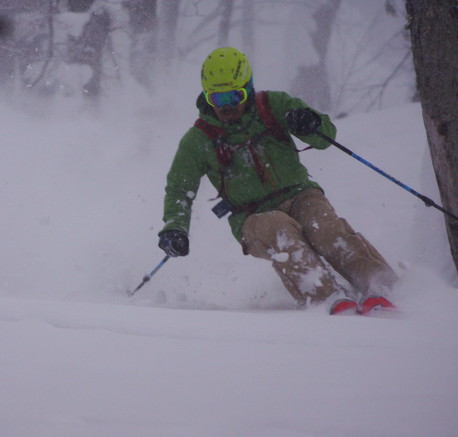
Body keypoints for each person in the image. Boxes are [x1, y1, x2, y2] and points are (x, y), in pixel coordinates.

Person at [157, 47, 398, 312]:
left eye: (234, 95)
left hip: (301, 195)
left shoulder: (273, 106)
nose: (226, 106)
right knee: (280, 229)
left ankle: (379, 284)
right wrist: (175, 227)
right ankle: (326, 297)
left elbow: (326, 137)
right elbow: (180, 188)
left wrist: (310, 124)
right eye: (217, 97)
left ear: (248, 87)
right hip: (252, 217)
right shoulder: (200, 139)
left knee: (324, 229)